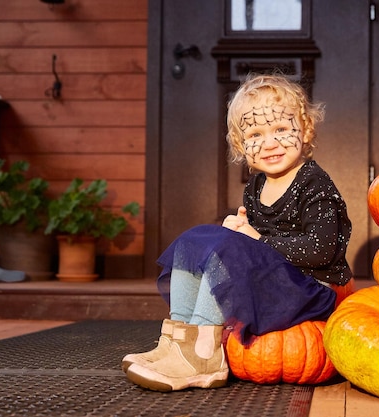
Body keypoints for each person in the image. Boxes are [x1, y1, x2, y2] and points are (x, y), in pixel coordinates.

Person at [122, 73, 353, 392]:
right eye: (256, 134)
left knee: (228, 252)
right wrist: (237, 234)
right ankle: (179, 340)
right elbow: (253, 252)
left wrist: (252, 241)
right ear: (242, 146)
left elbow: (320, 250)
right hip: (273, 282)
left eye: (281, 129)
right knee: (198, 240)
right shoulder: (256, 186)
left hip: (311, 290)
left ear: (306, 130)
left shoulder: (315, 186)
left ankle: (205, 354)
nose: (270, 142)